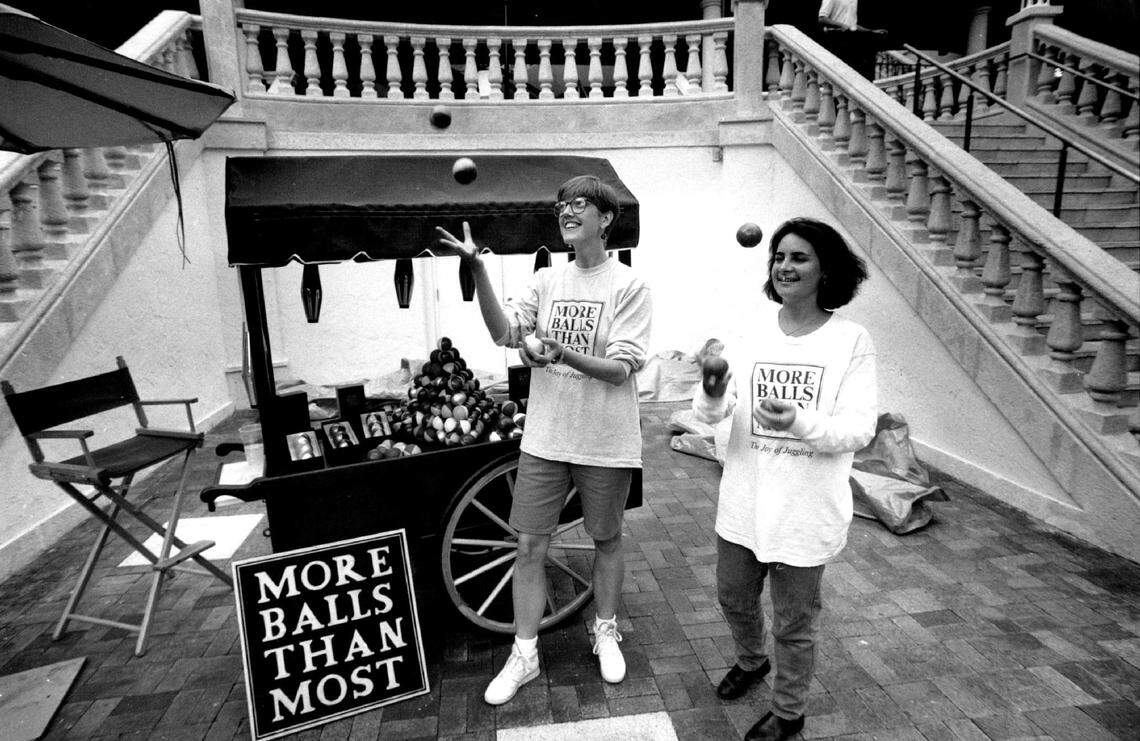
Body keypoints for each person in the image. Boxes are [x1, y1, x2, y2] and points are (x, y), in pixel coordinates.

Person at [435, 175, 652, 706]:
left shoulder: (629, 286)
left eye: (579, 204)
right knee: (529, 546)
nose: (567, 212)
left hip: (605, 439)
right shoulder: (546, 280)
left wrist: (560, 352)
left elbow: (620, 370)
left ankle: (605, 630)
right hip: (545, 438)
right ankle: (525, 653)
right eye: (561, 206)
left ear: (606, 218)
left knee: (606, 539)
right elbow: (504, 333)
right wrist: (477, 269)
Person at [692, 218, 876, 741]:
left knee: (795, 622)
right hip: (744, 498)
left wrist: (798, 421)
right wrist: (711, 388)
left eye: (799, 257)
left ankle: (790, 713)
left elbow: (859, 429)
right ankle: (752, 661)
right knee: (733, 596)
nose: (784, 266)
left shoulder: (851, 340)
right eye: (779, 257)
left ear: (826, 270)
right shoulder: (751, 330)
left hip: (805, 508)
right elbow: (711, 413)